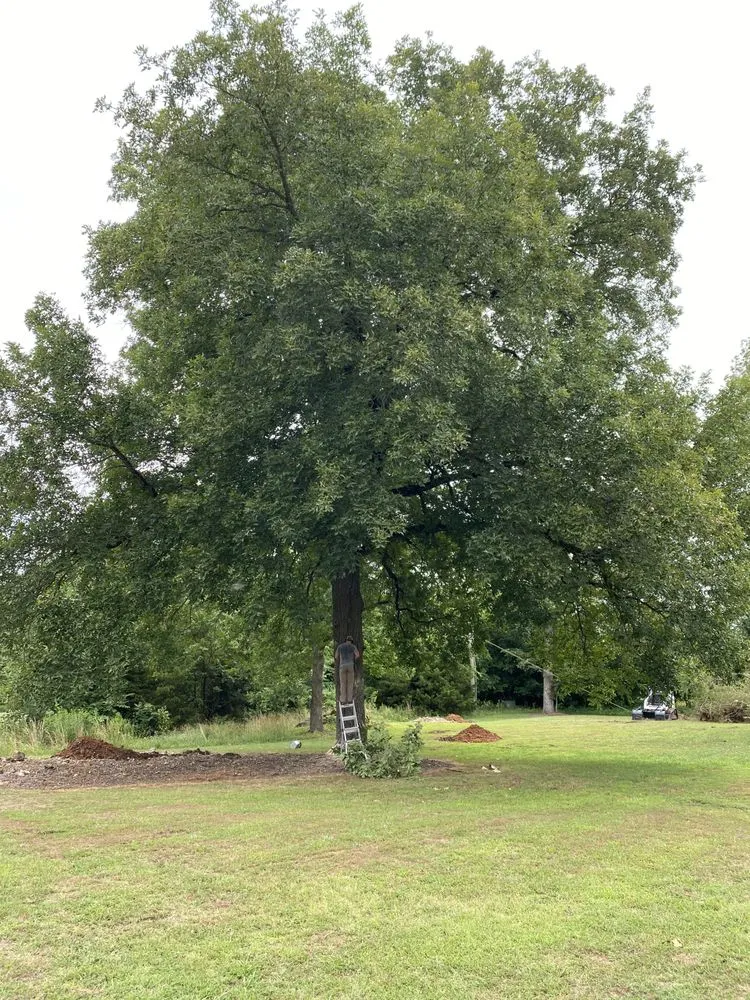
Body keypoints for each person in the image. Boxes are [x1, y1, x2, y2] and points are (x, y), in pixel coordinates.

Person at [334, 635, 361, 704]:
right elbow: (357, 655)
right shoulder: (353, 646)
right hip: (350, 665)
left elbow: (336, 656)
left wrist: (341, 660)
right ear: (351, 641)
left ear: (346, 640)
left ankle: (343, 700)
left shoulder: (340, 646)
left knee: (343, 683)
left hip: (342, 666)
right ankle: (349, 699)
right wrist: (353, 659)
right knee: (350, 683)